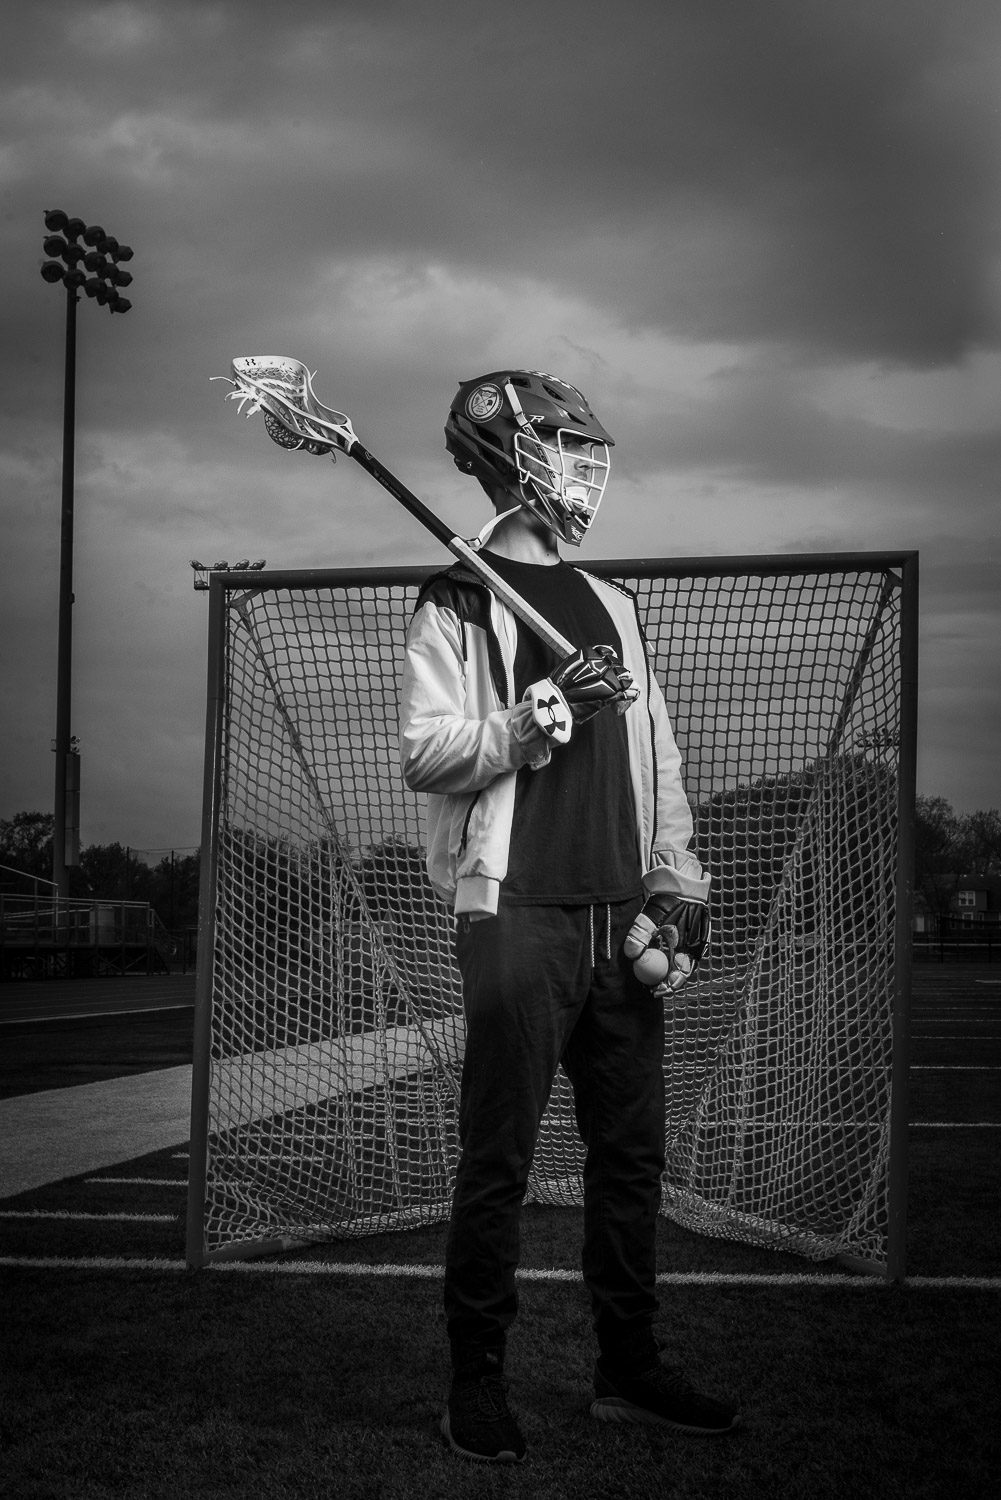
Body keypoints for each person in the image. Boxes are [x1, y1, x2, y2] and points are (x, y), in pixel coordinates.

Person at [400, 369, 740, 1463]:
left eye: (590, 447)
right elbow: (427, 754)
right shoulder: (455, 595)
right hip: (516, 915)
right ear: (510, 455)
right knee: (495, 1156)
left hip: (614, 918)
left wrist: (678, 883)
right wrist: (545, 707)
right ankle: (475, 1382)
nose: (585, 467)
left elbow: (660, 761)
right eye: (564, 444)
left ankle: (627, 1370)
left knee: (628, 1158)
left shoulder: (617, 605)